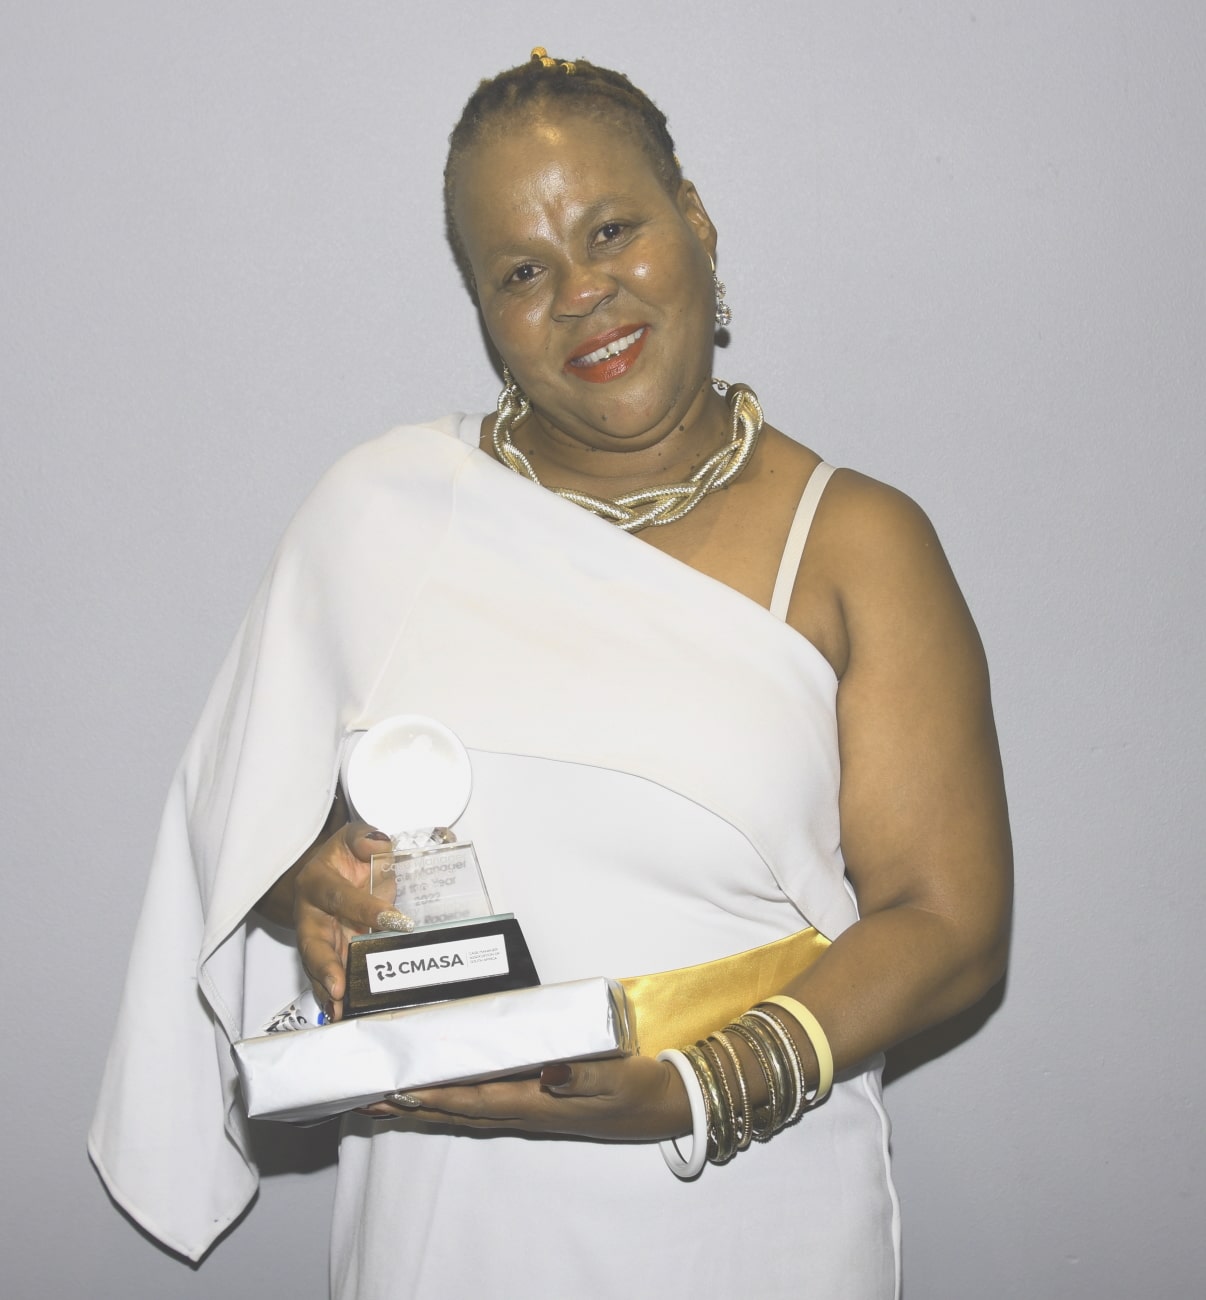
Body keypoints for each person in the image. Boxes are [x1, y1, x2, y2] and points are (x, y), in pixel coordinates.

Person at [91, 49, 1012, 1300]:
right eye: (522, 272)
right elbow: (238, 829)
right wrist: (306, 881)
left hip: (752, 1205)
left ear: (695, 220)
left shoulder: (858, 542)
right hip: (446, 1220)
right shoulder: (384, 512)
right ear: (483, 307)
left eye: (612, 230)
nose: (583, 293)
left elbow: (948, 923)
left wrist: (695, 1088)